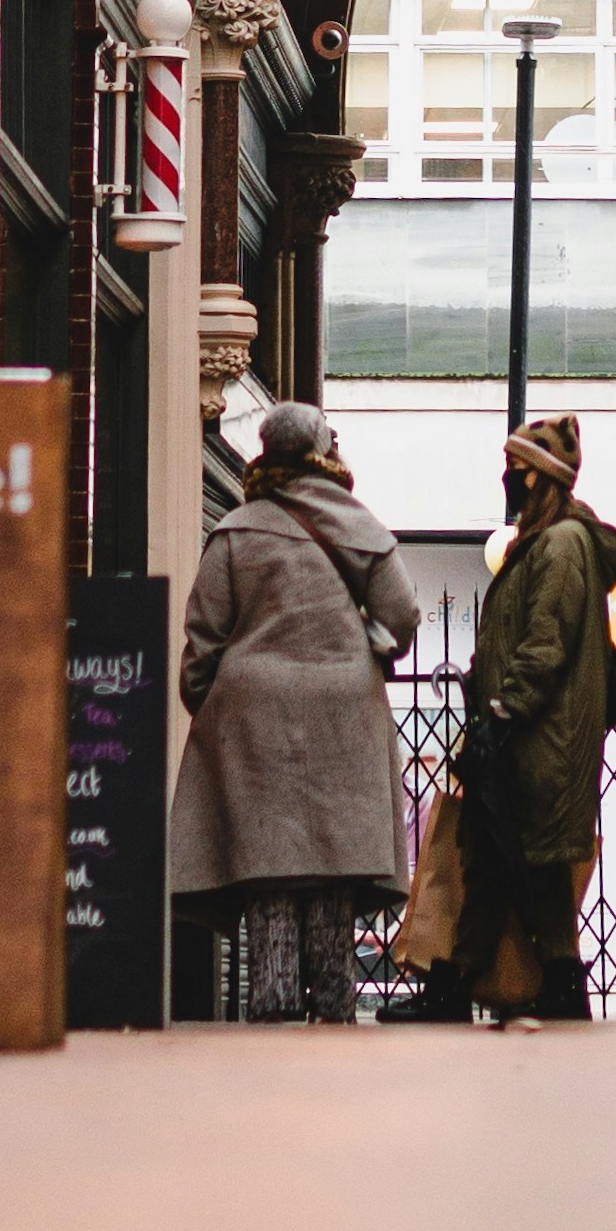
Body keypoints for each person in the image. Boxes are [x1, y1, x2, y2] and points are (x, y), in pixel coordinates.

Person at [171, 397, 421, 1023]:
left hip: (253, 712)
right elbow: (403, 612)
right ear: (325, 452)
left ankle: (273, 1001)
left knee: (269, 868)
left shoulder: (236, 530)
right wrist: (371, 652)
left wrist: (207, 700)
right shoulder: (361, 527)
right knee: (333, 867)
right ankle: (333, 1002)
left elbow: (204, 634)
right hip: (343, 708)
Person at [453, 411, 616, 1022]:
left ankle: (461, 983)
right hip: (529, 732)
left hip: (541, 736)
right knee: (515, 861)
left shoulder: (560, 546)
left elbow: (545, 641)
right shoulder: (543, 542)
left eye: (515, 470)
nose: (506, 479)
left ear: (538, 479)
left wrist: (501, 710)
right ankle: (554, 982)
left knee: (508, 856)